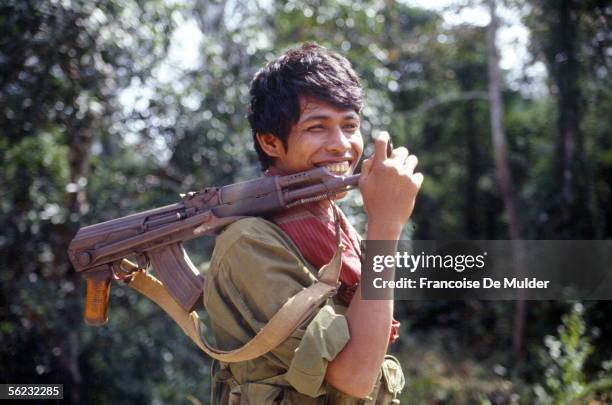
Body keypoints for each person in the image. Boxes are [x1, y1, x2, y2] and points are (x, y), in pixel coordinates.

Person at [204, 42, 423, 404]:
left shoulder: (329, 222)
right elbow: (353, 376)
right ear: (271, 142)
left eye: (349, 125)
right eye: (317, 127)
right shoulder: (249, 240)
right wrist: (386, 225)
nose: (341, 146)